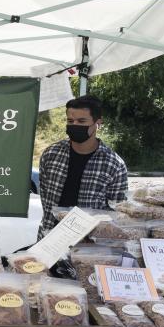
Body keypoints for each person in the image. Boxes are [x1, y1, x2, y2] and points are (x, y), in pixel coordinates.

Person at [37, 95, 128, 239]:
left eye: (81, 121)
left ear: (98, 123)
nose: (75, 125)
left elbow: (117, 212)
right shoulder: (51, 154)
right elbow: (45, 198)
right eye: (70, 121)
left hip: (88, 246)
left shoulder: (114, 164)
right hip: (49, 238)